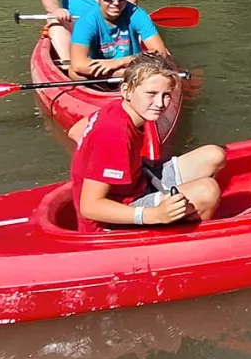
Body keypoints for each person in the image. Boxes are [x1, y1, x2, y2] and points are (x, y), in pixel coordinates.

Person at [71, 54, 227, 229]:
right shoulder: (114, 134)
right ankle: (184, 237)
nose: (160, 103)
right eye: (151, 93)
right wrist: (153, 215)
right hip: (112, 218)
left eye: (166, 94)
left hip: (138, 182)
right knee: (208, 191)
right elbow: (89, 207)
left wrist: (122, 162)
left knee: (214, 155)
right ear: (126, 90)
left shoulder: (117, 108)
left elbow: (75, 131)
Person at [69, 0, 167, 79]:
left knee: (163, 60)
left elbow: (160, 53)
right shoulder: (86, 22)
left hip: (133, 66)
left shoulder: (137, 14)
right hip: (104, 72)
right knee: (73, 72)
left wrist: (119, 62)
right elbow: (78, 64)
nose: (116, 3)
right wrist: (118, 71)